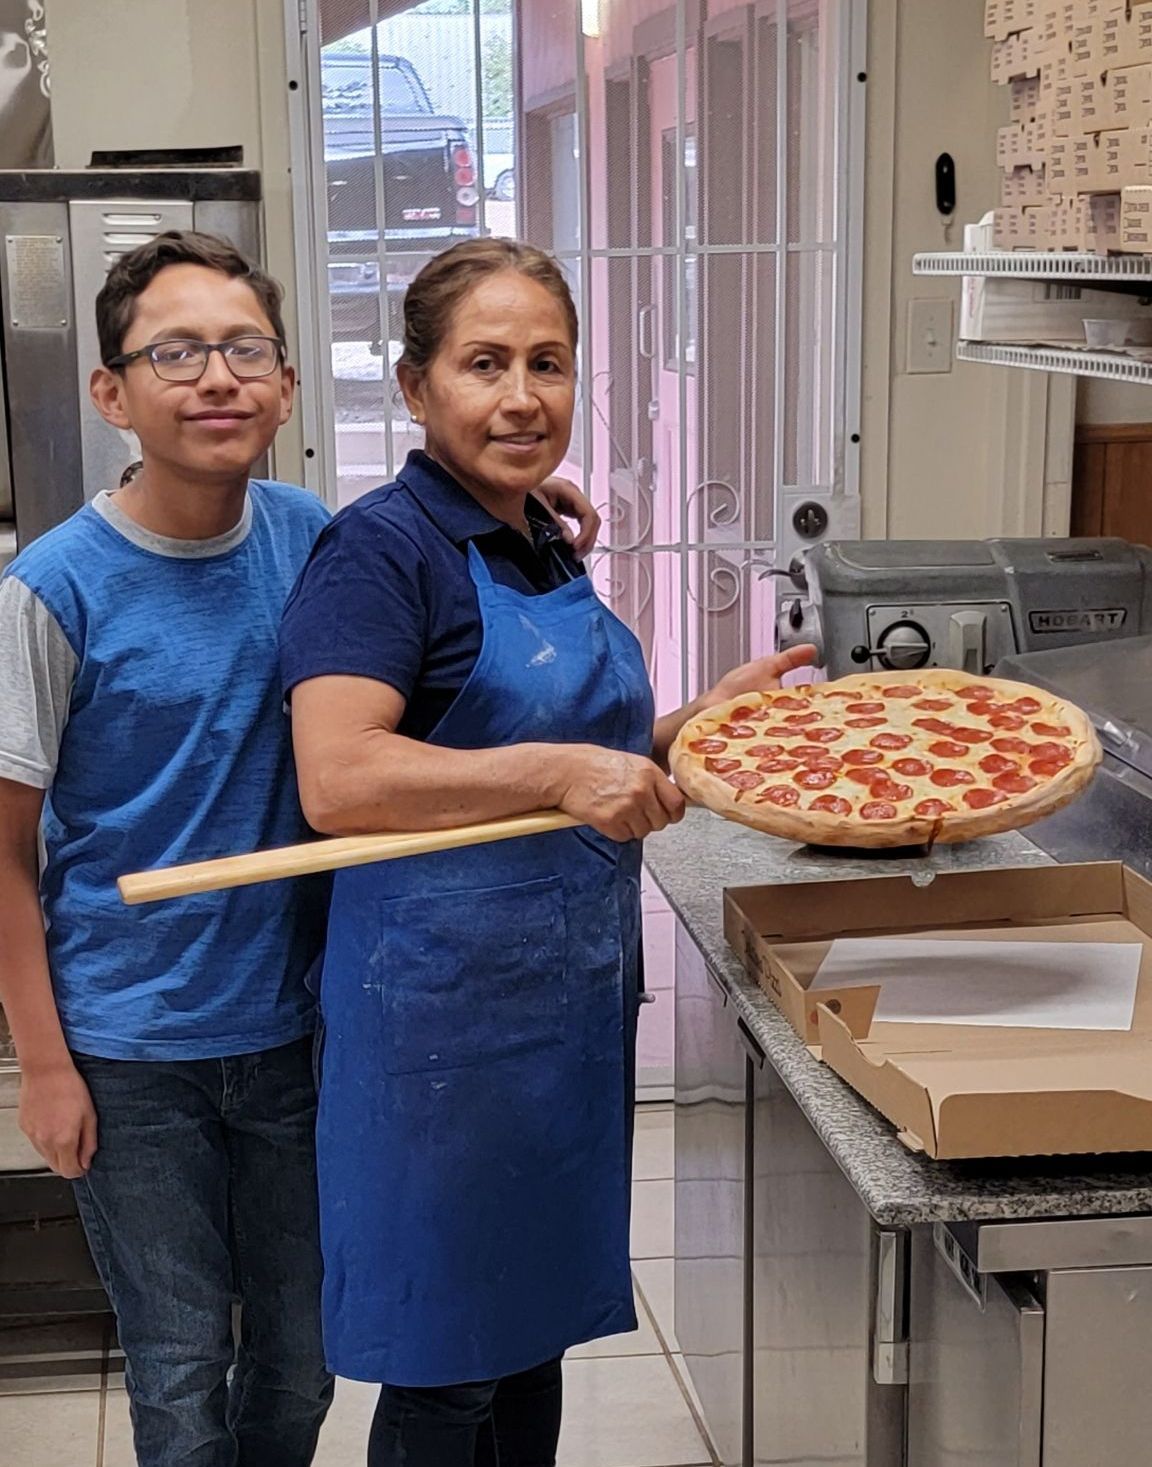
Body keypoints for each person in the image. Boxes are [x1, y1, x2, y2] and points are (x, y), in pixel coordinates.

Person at [0, 227, 602, 1467]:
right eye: (175, 353)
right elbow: (4, 853)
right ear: (112, 392)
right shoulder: (51, 590)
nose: (216, 377)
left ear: (284, 385)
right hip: (131, 1044)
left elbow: (415, 573)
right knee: (179, 1368)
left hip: (299, 1024)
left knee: (297, 1357)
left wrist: (520, 506)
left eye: (244, 350)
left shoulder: (306, 536)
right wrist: (43, 1066)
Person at [279, 237, 815, 1466]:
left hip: (560, 1020)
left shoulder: (536, 534)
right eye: (484, 364)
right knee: (448, 1374)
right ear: (415, 387)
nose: (522, 396)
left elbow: (588, 764)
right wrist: (561, 772)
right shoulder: (381, 553)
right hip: (436, 1039)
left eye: (548, 363)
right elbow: (340, 777)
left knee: (529, 1349)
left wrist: (702, 726)